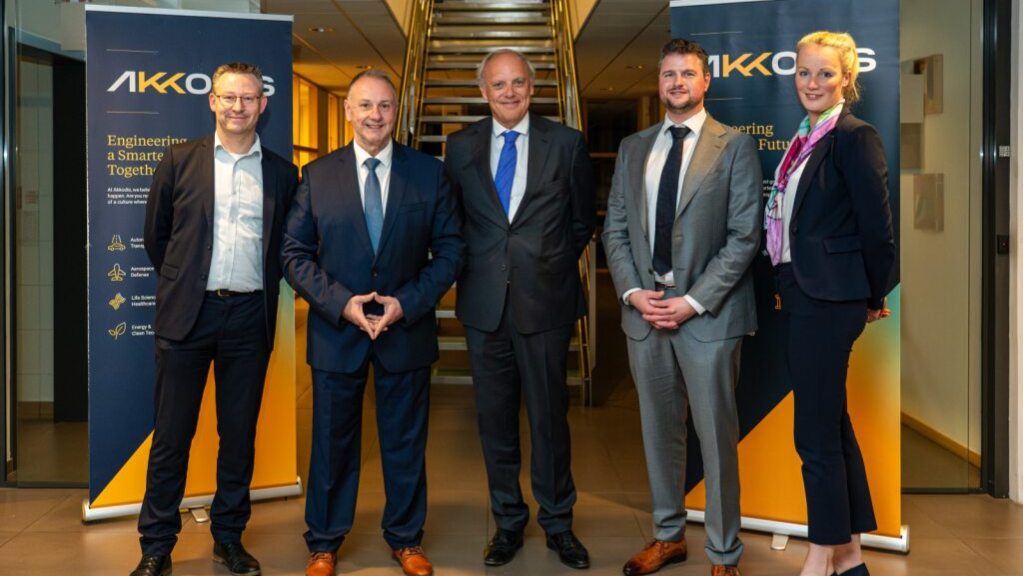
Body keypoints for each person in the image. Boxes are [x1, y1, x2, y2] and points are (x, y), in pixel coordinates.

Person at [280, 69, 464, 576]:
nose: (375, 115)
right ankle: (323, 542)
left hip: (405, 330)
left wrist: (407, 303)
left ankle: (406, 539)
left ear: (396, 112)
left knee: (405, 442)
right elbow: (293, 254)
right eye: (365, 105)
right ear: (348, 111)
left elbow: (451, 251)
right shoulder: (318, 175)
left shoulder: (428, 173)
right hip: (337, 331)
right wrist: (341, 304)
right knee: (332, 442)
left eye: (384, 106)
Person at [602, 38, 762, 576]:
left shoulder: (734, 146)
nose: (677, 83)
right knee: (659, 434)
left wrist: (692, 302)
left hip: (708, 316)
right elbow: (615, 230)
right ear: (659, 81)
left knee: (715, 438)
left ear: (705, 80)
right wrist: (632, 292)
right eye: (668, 74)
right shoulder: (633, 147)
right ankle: (668, 537)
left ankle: (724, 552)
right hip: (645, 314)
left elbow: (745, 236)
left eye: (688, 74)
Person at [134, 62, 298, 576]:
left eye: (248, 98)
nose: (237, 107)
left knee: (239, 437)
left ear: (262, 105)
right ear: (212, 101)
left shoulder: (282, 173)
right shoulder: (180, 159)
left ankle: (228, 538)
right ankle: (156, 546)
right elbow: (157, 237)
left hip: (250, 317)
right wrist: (186, 284)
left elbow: (285, 246)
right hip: (188, 316)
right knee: (171, 436)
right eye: (228, 97)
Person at [443, 48, 596, 569]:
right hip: (485, 304)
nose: (508, 92)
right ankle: (508, 522)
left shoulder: (567, 143)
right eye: (498, 84)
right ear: (483, 92)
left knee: (550, 419)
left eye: (517, 83)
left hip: (546, 301)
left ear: (532, 88)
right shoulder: (459, 146)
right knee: (495, 420)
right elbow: (454, 221)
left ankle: (558, 523)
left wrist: (547, 264)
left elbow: (582, 221)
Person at [765, 31, 895, 576]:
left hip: (830, 297)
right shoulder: (805, 138)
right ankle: (851, 557)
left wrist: (873, 294)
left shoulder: (853, 136)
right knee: (832, 426)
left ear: (847, 78)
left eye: (824, 73)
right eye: (803, 72)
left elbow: (877, 228)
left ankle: (820, 557)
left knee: (814, 436)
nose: (812, 82)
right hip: (803, 292)